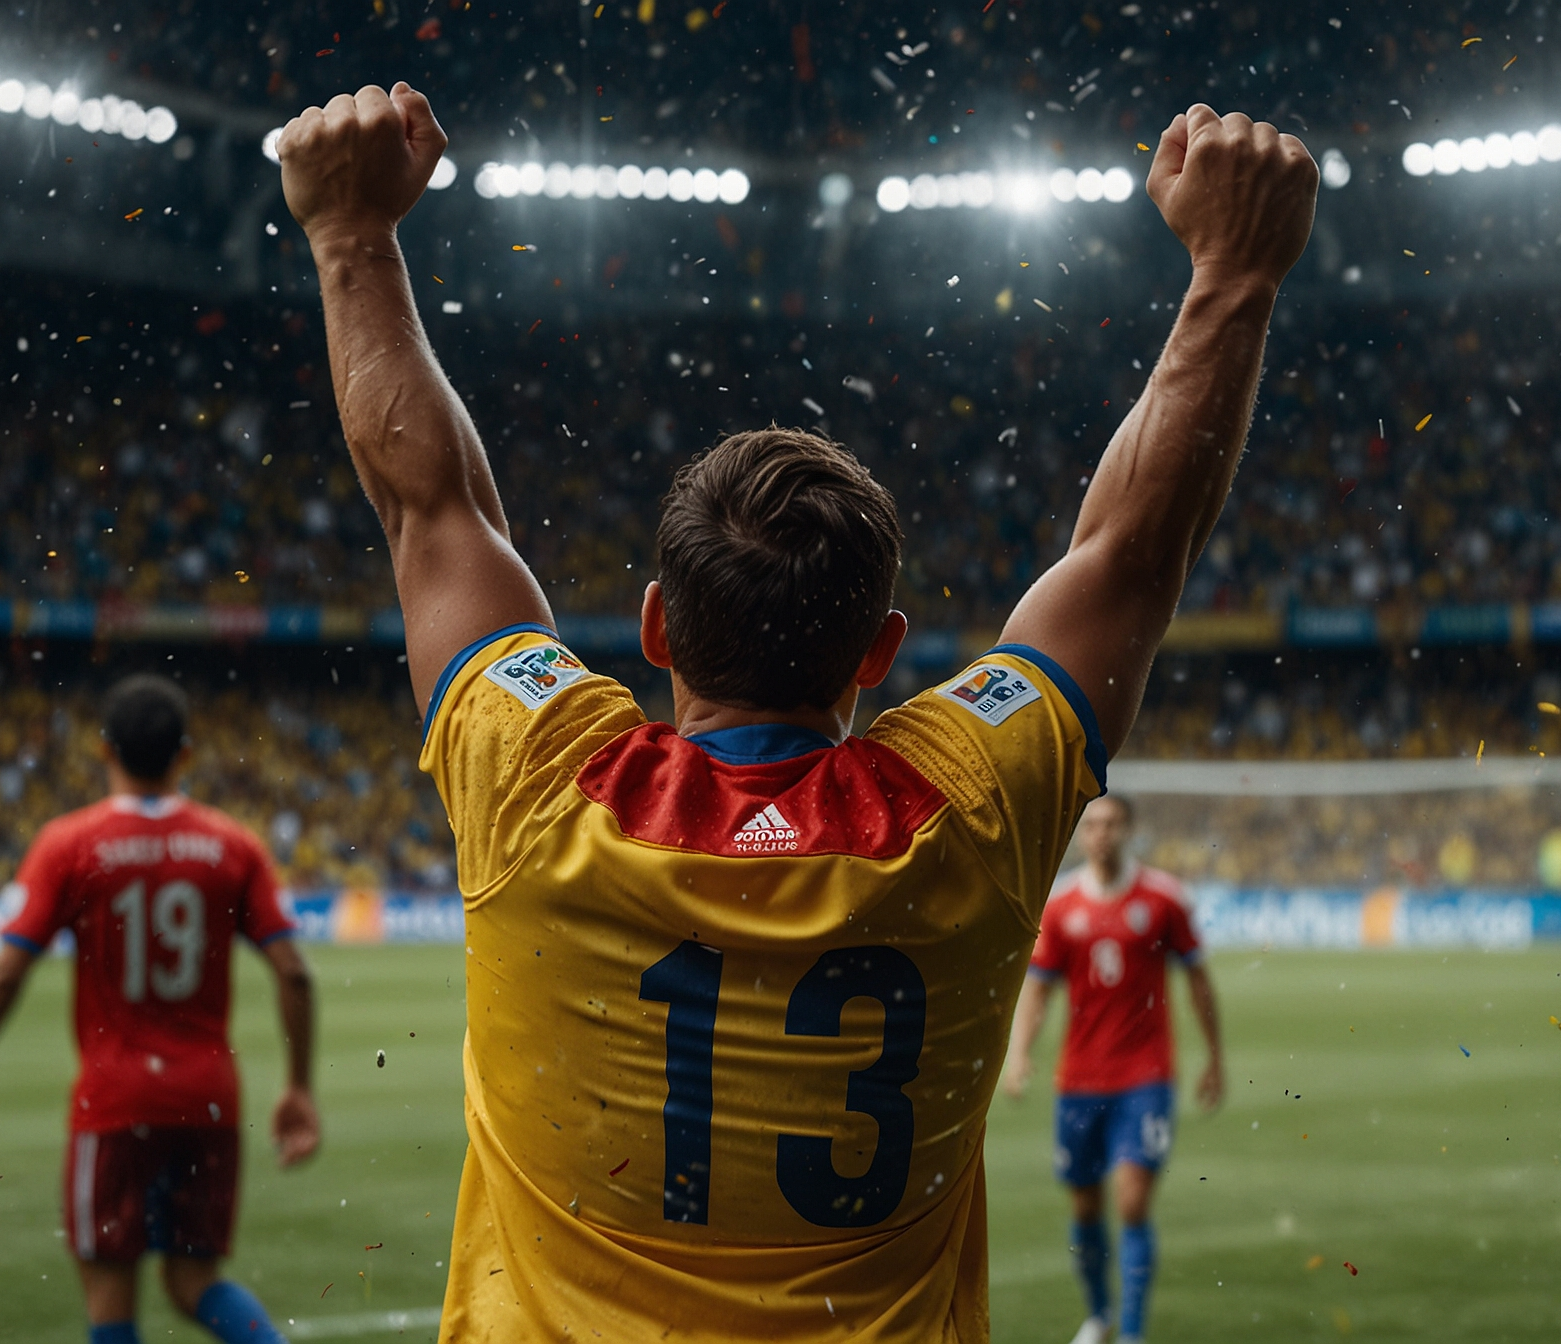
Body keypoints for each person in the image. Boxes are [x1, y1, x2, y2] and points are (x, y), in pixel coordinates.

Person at [279, 82, 1315, 1340]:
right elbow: (1133, 554)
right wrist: (1233, 271)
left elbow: (434, 512)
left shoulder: (540, 775)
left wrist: (350, 237)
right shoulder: (969, 803)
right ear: (879, 653)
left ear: (658, 627)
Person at [0, 675, 321, 1344]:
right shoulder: (233, 844)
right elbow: (296, 975)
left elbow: (5, 974)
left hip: (114, 1101)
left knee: (112, 1294)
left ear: (103, 749)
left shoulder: (69, 844)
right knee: (194, 1282)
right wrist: (300, 1089)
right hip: (208, 1098)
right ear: (184, 755)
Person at [1002, 796, 1224, 1344]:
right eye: (1092, 824)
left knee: (1131, 1201)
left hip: (1145, 1077)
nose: (1100, 834)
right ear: (1082, 835)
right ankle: (1099, 1314)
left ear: (1130, 831)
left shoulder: (1163, 899)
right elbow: (1040, 988)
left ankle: (1132, 1332)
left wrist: (1215, 1058)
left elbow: (1197, 979)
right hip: (1078, 1079)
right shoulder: (1061, 907)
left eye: (1111, 824)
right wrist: (1020, 1051)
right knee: (1084, 1204)